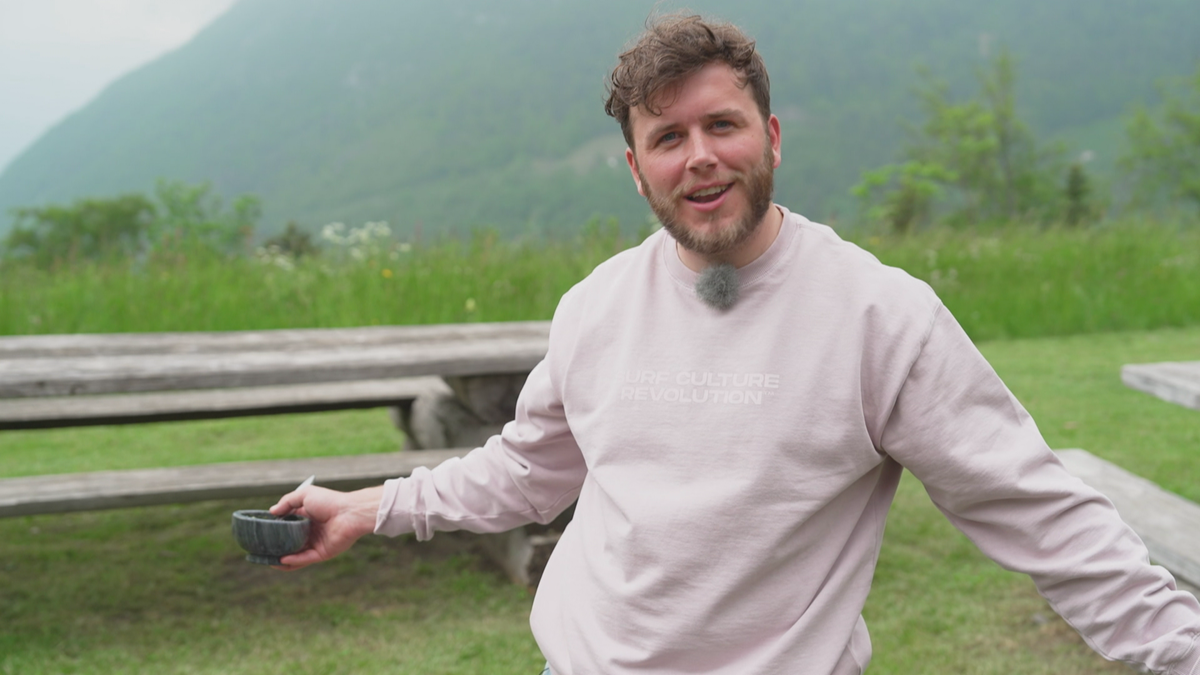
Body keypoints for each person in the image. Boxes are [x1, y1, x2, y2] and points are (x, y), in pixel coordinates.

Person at [270, 14, 1200, 675]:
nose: (699, 155)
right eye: (668, 136)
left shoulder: (880, 316)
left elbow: (1041, 512)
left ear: (772, 137)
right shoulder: (597, 305)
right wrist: (375, 506)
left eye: (723, 124)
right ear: (637, 168)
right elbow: (528, 471)